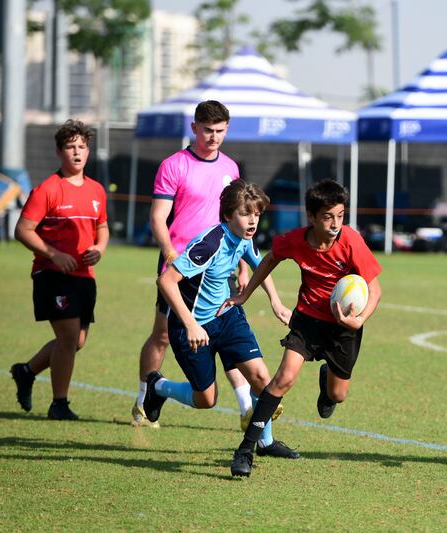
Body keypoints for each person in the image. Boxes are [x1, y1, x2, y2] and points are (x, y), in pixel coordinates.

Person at [224, 179, 382, 477]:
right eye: (327, 216)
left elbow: (374, 289)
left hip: (343, 327)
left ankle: (327, 383)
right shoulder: (295, 240)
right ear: (311, 216)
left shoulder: (351, 241)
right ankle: (246, 449)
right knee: (283, 379)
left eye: (340, 215)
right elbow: (270, 258)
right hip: (307, 320)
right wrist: (245, 294)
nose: (335, 223)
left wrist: (359, 320)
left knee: (338, 396)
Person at [141, 180, 299, 459]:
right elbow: (165, 280)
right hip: (191, 327)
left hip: (227, 318)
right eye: (245, 213)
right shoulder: (210, 243)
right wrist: (190, 324)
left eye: (257, 214)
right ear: (227, 215)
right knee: (206, 400)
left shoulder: (246, 238)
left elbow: (260, 264)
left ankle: (264, 442)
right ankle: (158, 387)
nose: (253, 221)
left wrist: (276, 302)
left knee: (261, 377)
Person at [132, 100, 257, 430]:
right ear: (194, 128)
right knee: (161, 335)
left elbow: (238, 219)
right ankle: (144, 400)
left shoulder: (230, 167)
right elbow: (158, 217)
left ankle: (247, 407)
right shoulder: (174, 165)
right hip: (181, 265)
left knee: (222, 328)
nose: (213, 137)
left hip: (219, 265)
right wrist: (169, 251)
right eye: (207, 130)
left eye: (219, 131)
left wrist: (243, 266)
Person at [10, 119, 109, 420]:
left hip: (84, 276)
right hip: (52, 275)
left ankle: (26, 372)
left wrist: (99, 249)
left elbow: (102, 227)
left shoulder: (96, 190)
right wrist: (53, 254)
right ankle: (59, 404)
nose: (77, 153)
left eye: (82, 147)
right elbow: (23, 230)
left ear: (88, 151)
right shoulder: (47, 190)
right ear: (59, 151)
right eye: (70, 147)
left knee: (76, 341)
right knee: (68, 338)